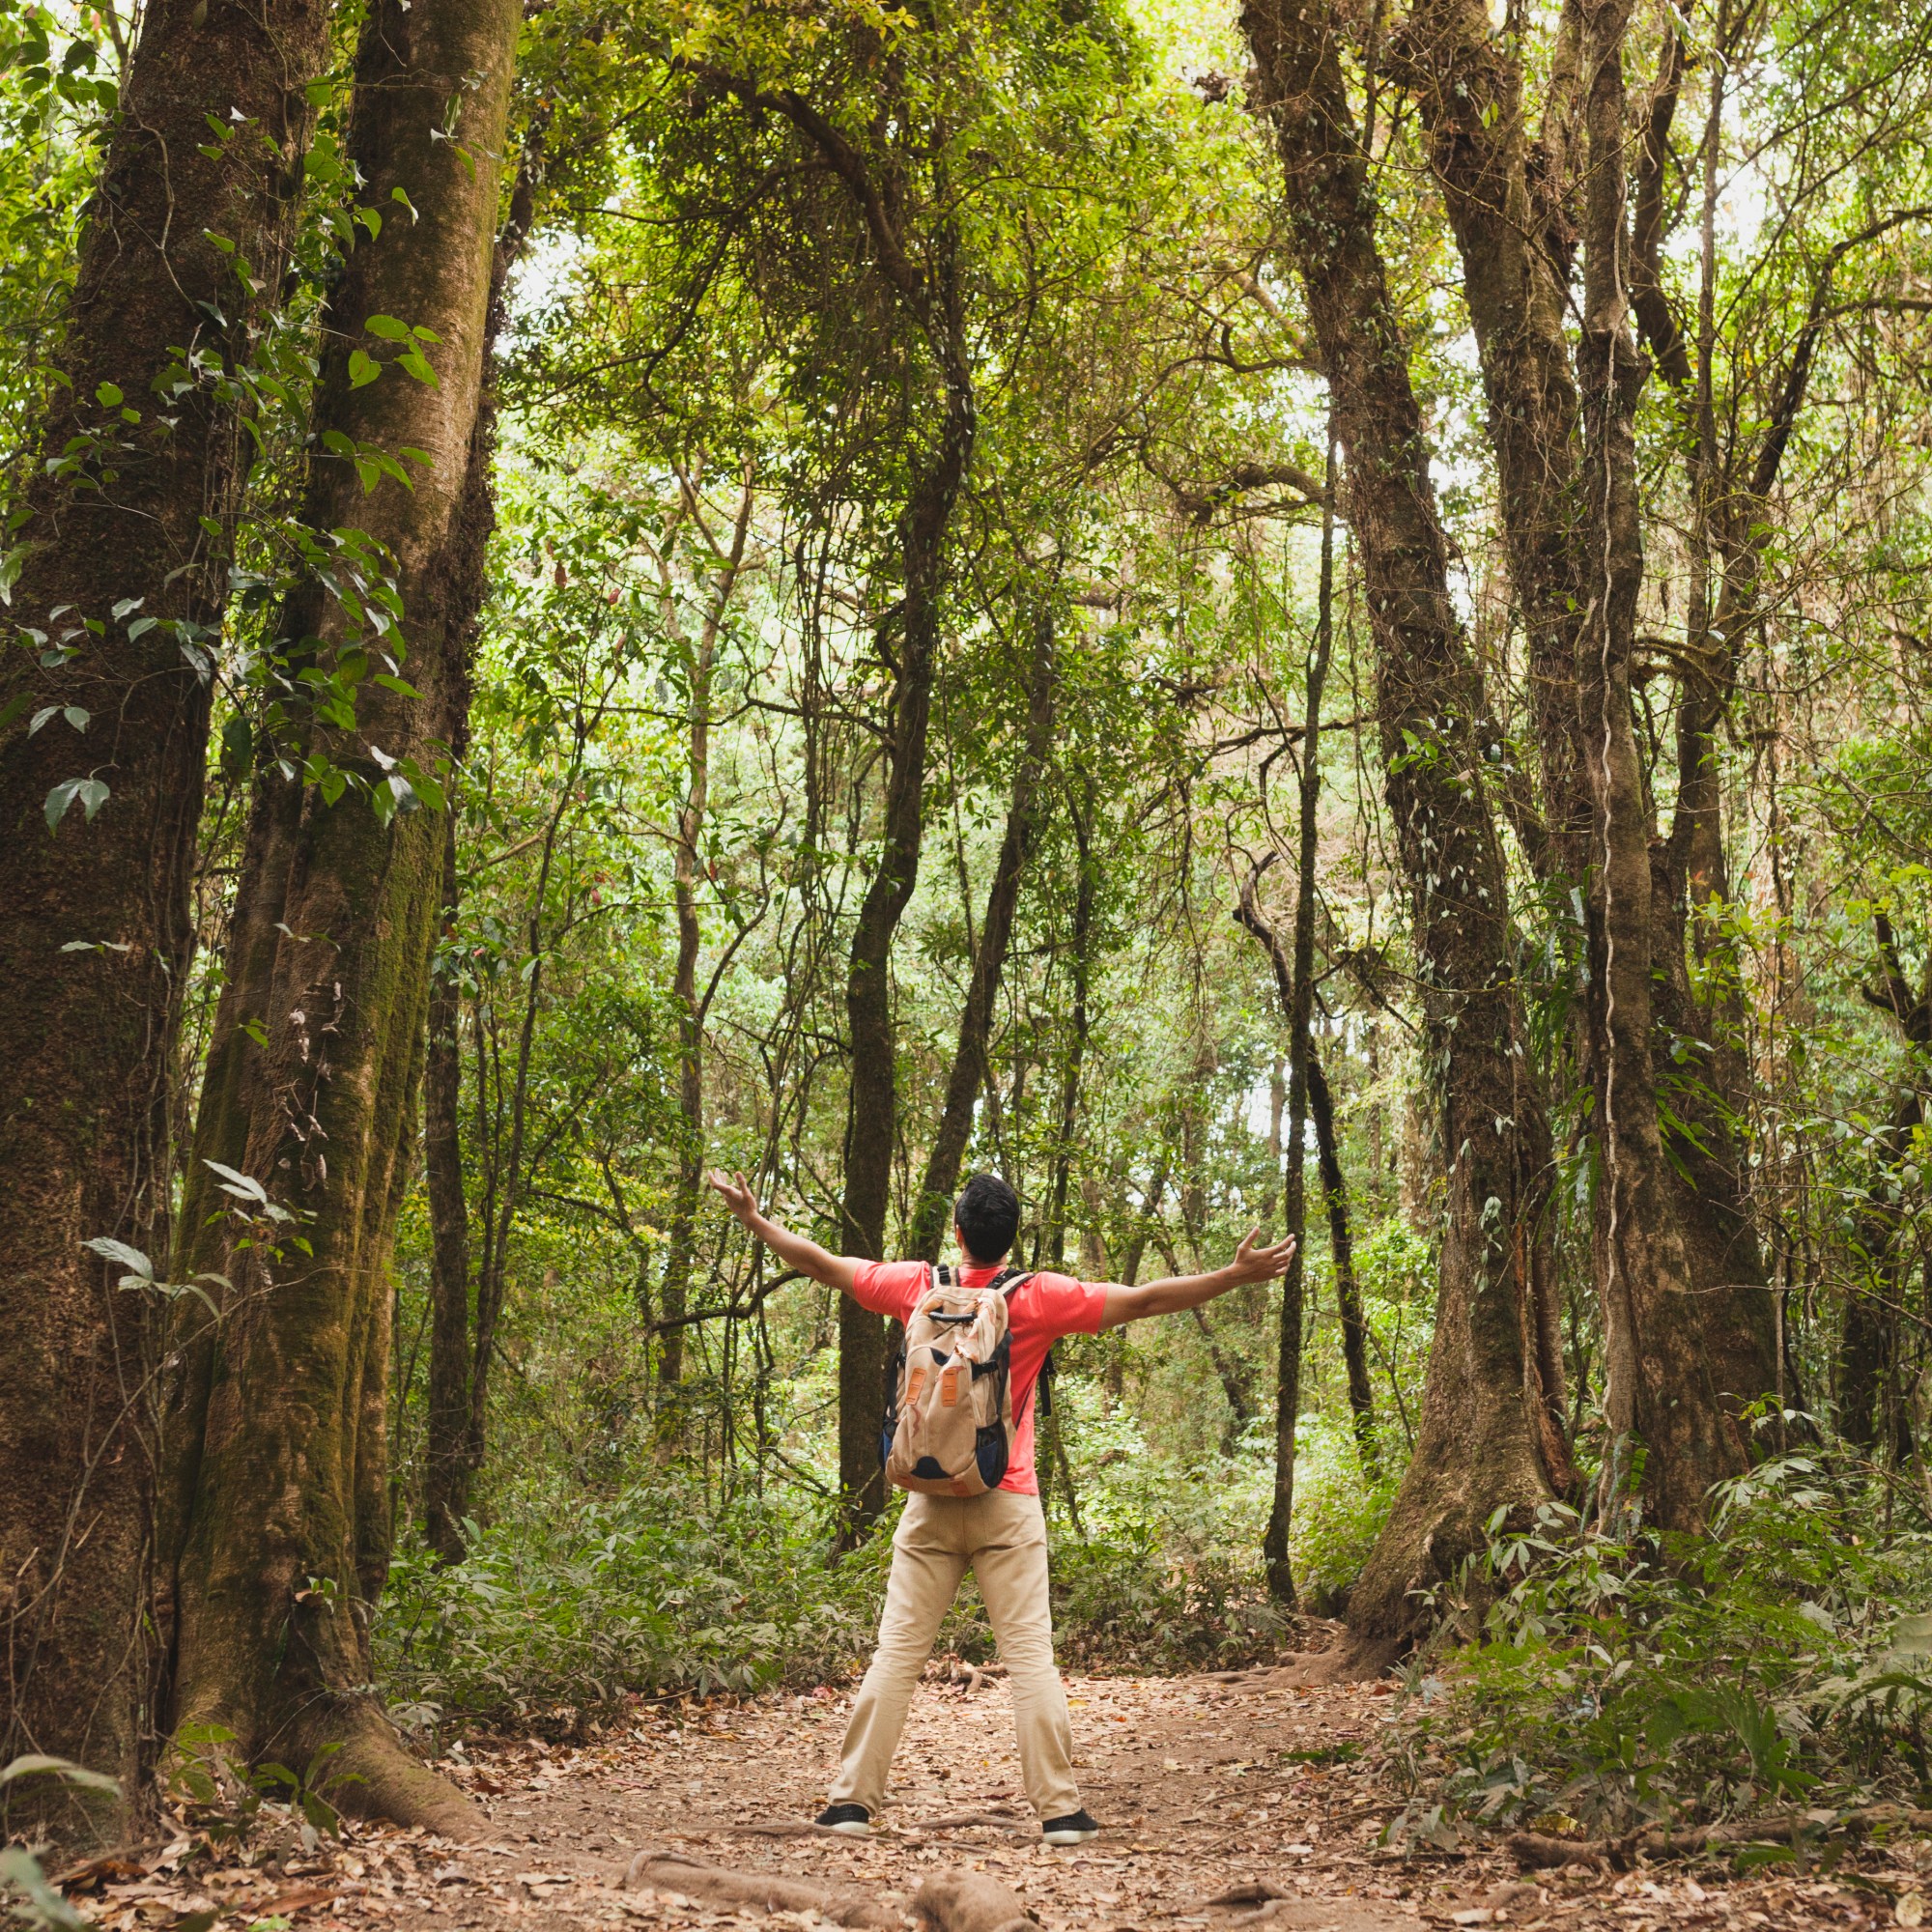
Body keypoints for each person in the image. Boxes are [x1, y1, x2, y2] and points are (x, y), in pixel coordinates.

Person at [706, 1166, 1296, 1846]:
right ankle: (1061, 1813)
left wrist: (754, 1218)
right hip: (1007, 1501)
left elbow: (827, 1265)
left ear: (957, 1232)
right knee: (1028, 1658)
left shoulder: (917, 1286)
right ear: (1013, 1239)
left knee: (896, 1654)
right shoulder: (1037, 1297)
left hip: (927, 1500)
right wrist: (1232, 1275)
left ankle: (850, 1805)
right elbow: (1140, 1301)